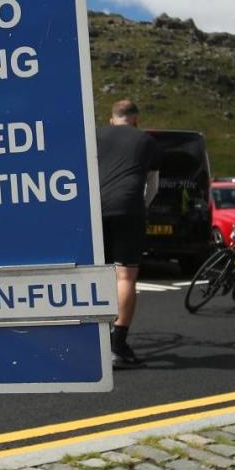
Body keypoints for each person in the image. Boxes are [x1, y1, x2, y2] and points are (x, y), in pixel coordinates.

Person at [96, 98, 161, 367]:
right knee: (125, 274)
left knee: (98, 271)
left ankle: (94, 338)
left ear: (112, 119)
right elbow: (152, 186)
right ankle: (118, 346)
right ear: (136, 119)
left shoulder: (96, 135)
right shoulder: (145, 141)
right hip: (127, 208)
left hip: (94, 208)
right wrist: (141, 209)